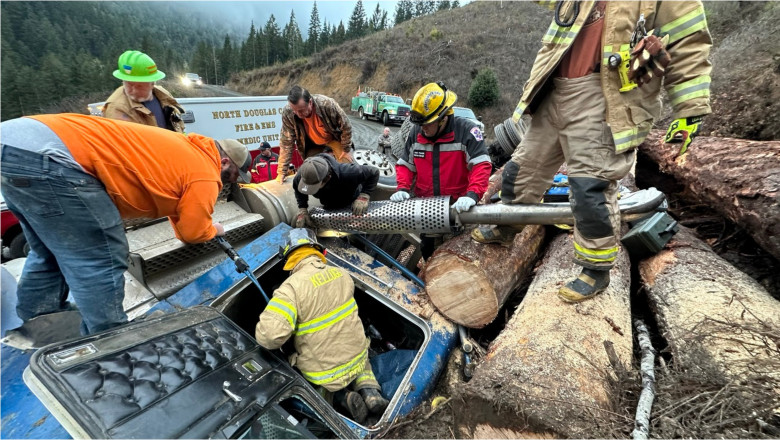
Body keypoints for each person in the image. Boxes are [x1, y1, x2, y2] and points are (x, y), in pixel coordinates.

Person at [472, 1, 712, 303]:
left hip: (604, 97)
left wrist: (691, 109)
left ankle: (595, 270)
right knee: (519, 171)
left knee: (590, 188)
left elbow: (689, 43)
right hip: (555, 91)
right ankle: (508, 225)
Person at [0, 113, 251, 335]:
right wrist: (215, 229)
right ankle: (110, 338)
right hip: (54, 160)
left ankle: (40, 320)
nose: (231, 182)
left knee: (48, 249)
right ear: (225, 162)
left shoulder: (188, 151)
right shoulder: (205, 172)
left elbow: (182, 222)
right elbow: (194, 232)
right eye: (233, 176)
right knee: (101, 256)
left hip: (16, 145)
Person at [255, 228, 389, 423]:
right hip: (359, 354)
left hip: (324, 372)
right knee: (361, 363)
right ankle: (370, 392)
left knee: (309, 379)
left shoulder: (289, 289)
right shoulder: (342, 274)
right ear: (320, 252)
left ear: (288, 259)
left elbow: (269, 338)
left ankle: (341, 398)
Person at [390, 81, 492, 259]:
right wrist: (403, 188)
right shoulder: (417, 133)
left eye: (428, 124)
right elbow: (406, 165)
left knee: (462, 258)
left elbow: (481, 165)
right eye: (420, 124)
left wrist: (472, 195)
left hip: (460, 210)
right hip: (430, 211)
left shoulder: (467, 131)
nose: (423, 128)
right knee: (429, 256)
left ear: (443, 117)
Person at [276, 85, 354, 182]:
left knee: (347, 167)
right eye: (294, 111)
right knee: (313, 172)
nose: (298, 114)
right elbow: (286, 142)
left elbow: (346, 126)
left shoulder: (327, 105)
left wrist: (346, 149)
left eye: (301, 110)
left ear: (310, 102)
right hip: (312, 144)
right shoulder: (288, 112)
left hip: (334, 139)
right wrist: (282, 171)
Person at [103, 50, 185, 133]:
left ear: (152, 83)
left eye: (139, 86)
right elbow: (122, 142)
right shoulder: (117, 108)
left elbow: (178, 126)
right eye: (129, 84)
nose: (133, 90)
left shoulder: (162, 94)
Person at [293, 154, 379, 228]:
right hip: (328, 204)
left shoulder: (347, 173)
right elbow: (299, 189)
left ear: (327, 178)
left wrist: (364, 196)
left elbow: (374, 172)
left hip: (352, 202)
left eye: (314, 186)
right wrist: (302, 209)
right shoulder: (303, 175)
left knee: (356, 228)